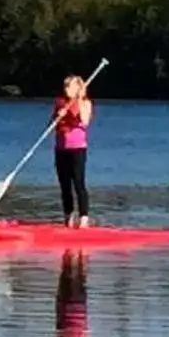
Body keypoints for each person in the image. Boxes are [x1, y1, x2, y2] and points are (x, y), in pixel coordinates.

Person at [52, 72, 94, 228]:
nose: (66, 89)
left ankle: (84, 218)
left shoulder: (85, 103)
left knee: (78, 183)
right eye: (65, 86)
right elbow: (51, 127)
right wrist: (58, 115)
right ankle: (68, 216)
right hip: (61, 149)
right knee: (64, 185)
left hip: (77, 149)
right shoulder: (60, 103)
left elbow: (84, 121)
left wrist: (79, 100)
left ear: (77, 88)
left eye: (69, 86)